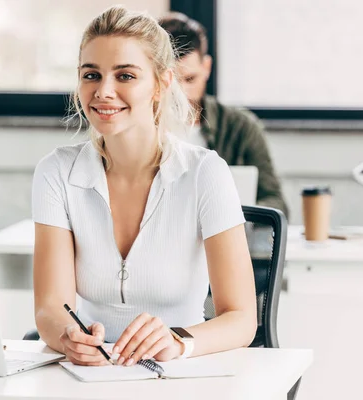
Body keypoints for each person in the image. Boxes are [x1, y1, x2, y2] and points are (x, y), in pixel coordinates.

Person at [32, 6, 256, 367]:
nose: (103, 91)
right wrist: (68, 337)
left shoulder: (205, 173)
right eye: (92, 75)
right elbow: (49, 308)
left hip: (179, 372)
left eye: (125, 76)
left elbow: (242, 319)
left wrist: (179, 341)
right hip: (90, 377)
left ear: (161, 83)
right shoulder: (56, 172)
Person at [159, 13, 289, 218]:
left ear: (206, 67)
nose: (180, 93)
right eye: (171, 82)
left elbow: (276, 203)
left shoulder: (240, 127)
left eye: (190, 79)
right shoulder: (134, 127)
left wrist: (233, 215)